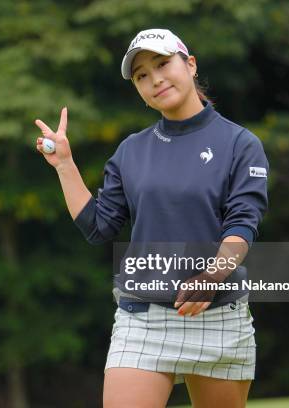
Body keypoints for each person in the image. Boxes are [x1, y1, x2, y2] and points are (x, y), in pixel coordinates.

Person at [34, 28, 268, 408]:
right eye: (142, 75)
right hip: (142, 317)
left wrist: (214, 274)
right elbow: (98, 227)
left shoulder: (240, 144)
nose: (155, 79)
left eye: (162, 64)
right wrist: (64, 165)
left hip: (219, 316)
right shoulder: (131, 151)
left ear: (189, 65)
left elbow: (243, 224)